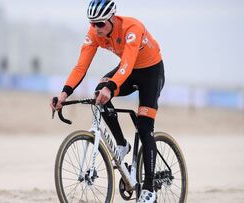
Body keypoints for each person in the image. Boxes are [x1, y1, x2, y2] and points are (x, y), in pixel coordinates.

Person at [50, 0, 165, 202]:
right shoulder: (94, 32)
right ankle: (122, 144)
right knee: (98, 92)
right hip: (127, 71)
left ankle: (149, 188)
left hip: (150, 73)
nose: (96, 28)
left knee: (145, 127)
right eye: (92, 24)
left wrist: (111, 88)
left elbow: (127, 64)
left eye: (100, 24)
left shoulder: (132, 28)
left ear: (112, 18)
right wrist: (63, 94)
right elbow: (80, 67)